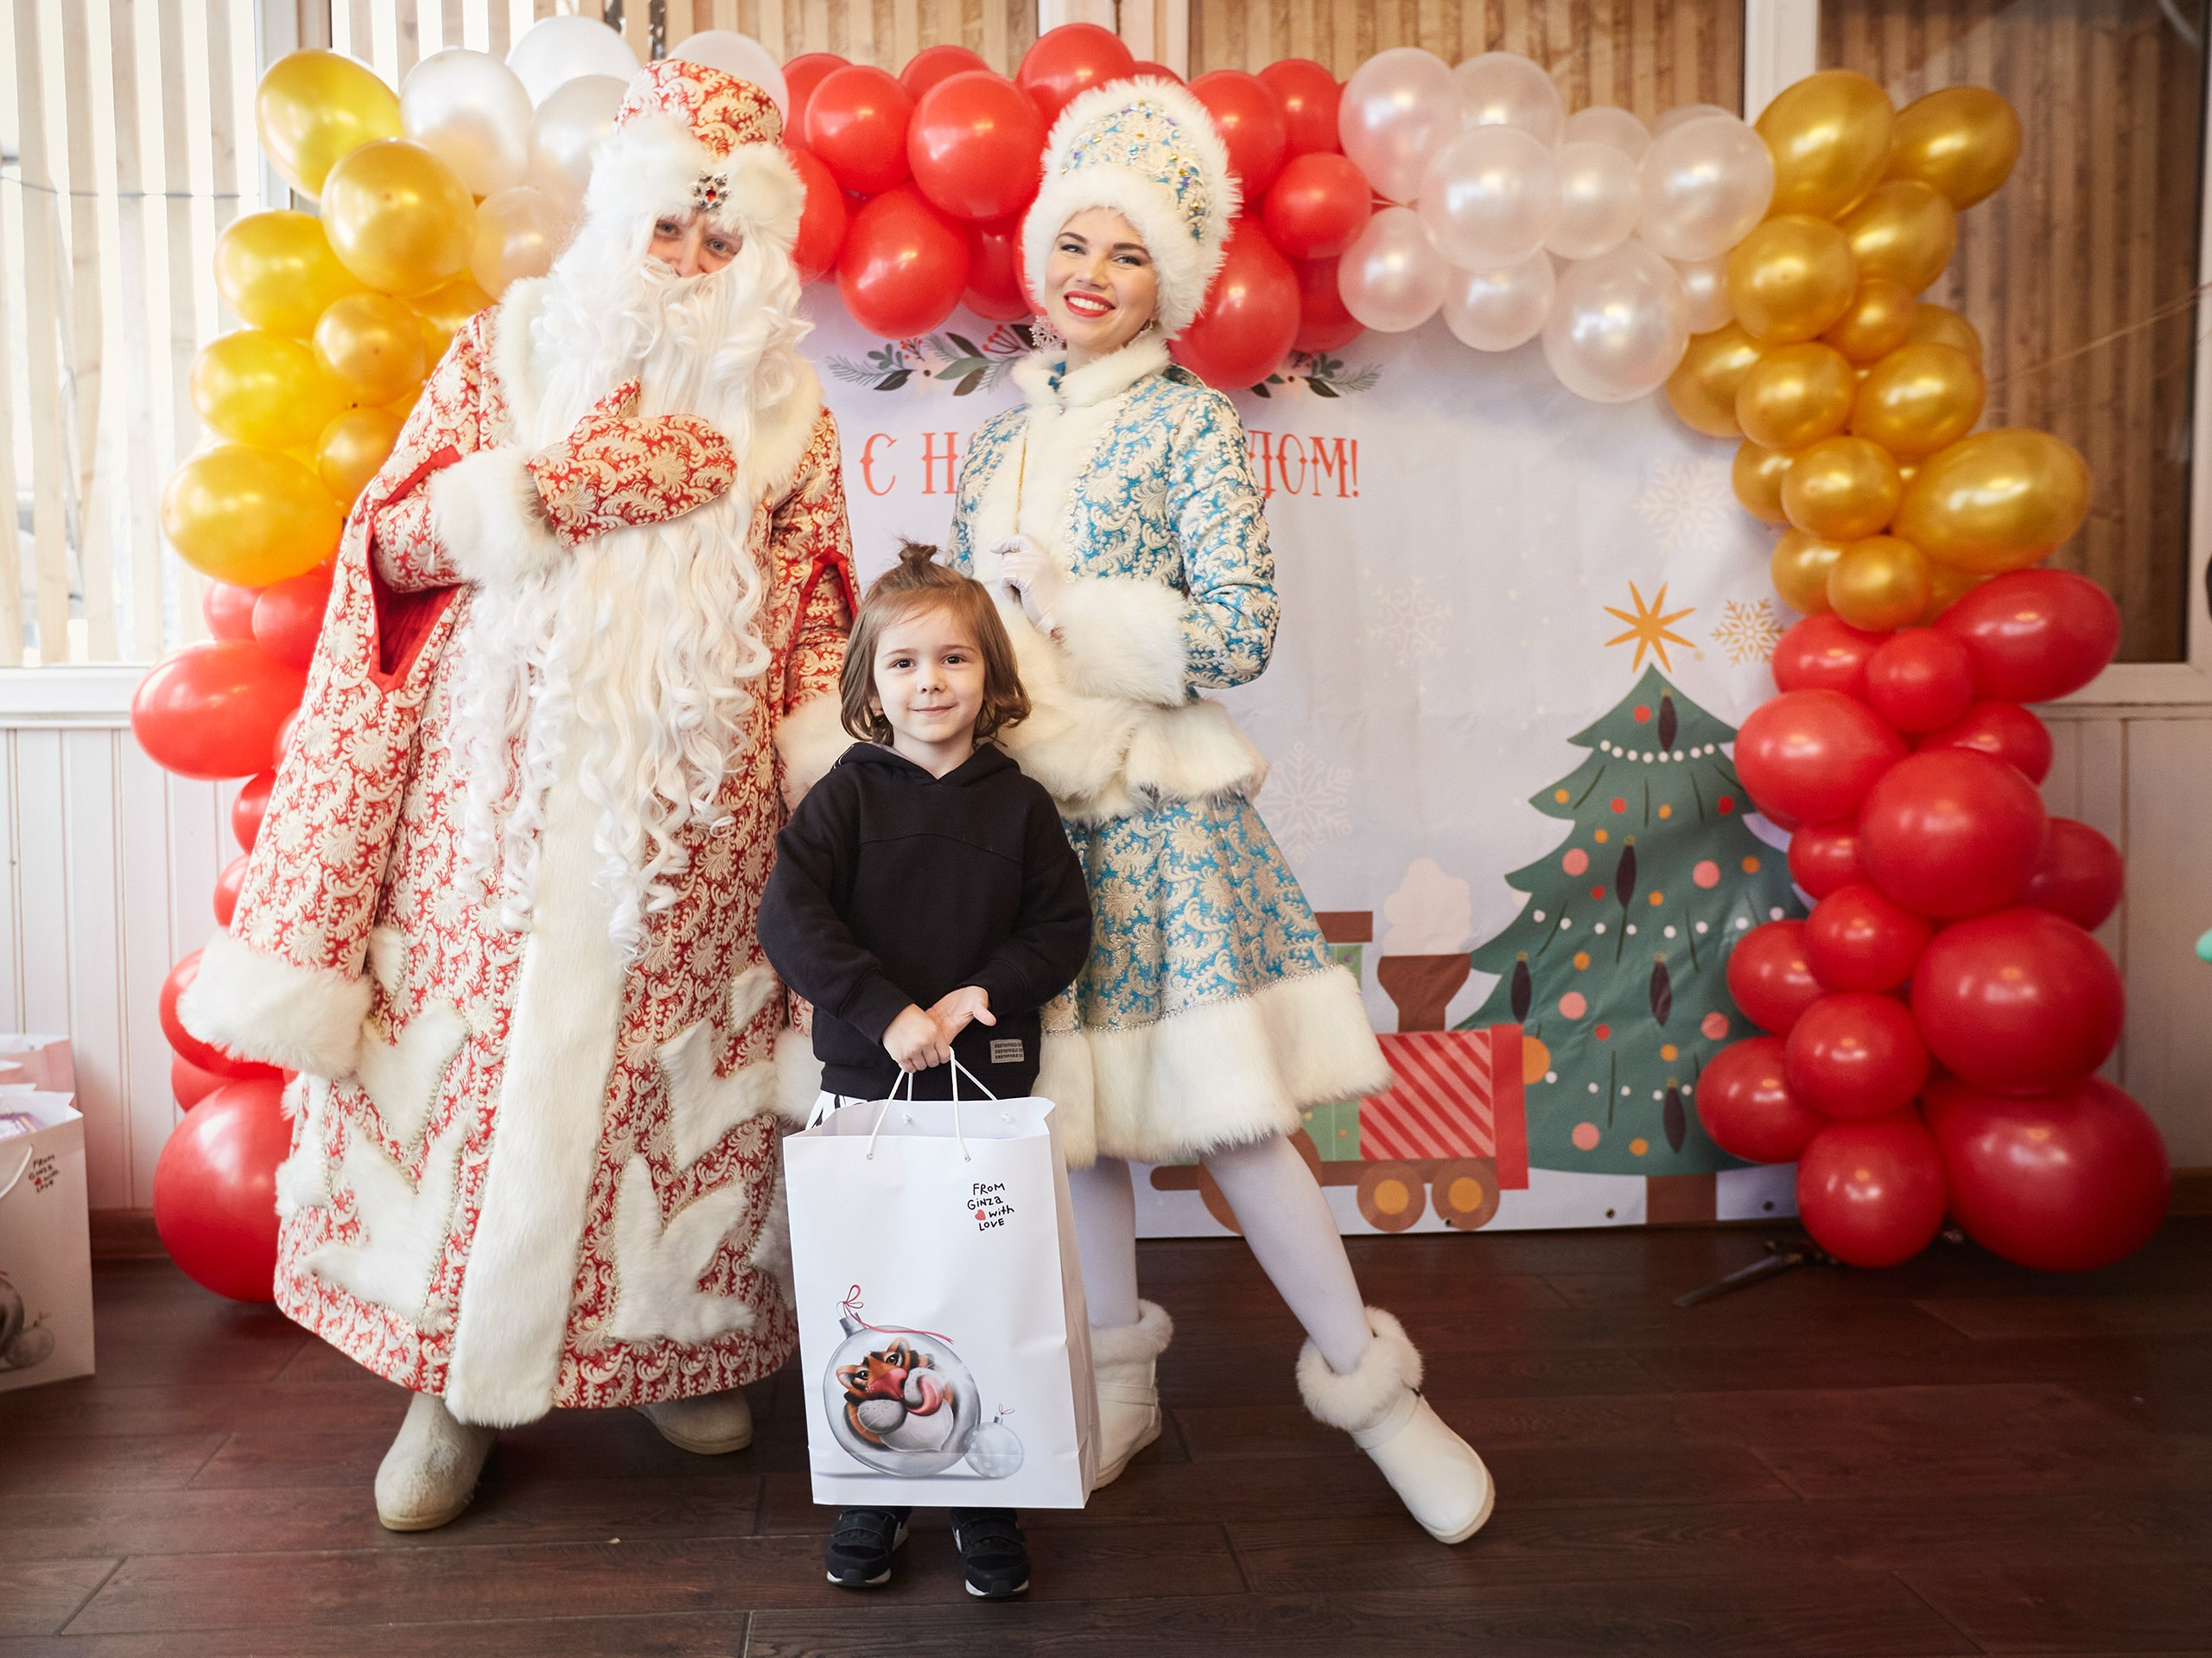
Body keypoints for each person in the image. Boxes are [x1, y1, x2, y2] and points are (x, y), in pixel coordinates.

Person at [178, 61, 855, 1532]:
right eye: (666, 229)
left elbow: (819, 613)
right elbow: (389, 545)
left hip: (700, 830)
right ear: (618, 220)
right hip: (492, 812)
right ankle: (449, 1386)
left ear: (759, 254)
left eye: (718, 239)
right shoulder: (506, 350)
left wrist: (829, 780)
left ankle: (679, 1348)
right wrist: (558, 491)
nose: (687, 262)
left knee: (680, 1099)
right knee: (475, 1079)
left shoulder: (791, 412)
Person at [948, 78, 1494, 1544]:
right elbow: (955, 628)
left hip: (1155, 814)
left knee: (1237, 1117)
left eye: (1130, 254)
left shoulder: (1194, 426)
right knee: (1083, 1121)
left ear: (1170, 283)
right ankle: (1117, 1383)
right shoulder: (994, 443)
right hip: (1023, 821)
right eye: (1077, 243)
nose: (1093, 275)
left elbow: (1240, 630)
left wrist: (1082, 609)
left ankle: (1377, 1390)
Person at [758, 544, 1093, 1598]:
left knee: (978, 1286)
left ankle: (988, 1498)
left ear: (991, 678)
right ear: (869, 686)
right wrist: (887, 1009)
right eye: (903, 664)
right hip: (866, 1084)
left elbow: (1063, 926)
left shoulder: (1020, 804)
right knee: (881, 1288)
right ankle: (874, 1481)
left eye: (954, 659)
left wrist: (979, 990)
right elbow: (790, 918)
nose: (931, 682)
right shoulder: (845, 799)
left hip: (985, 1089)